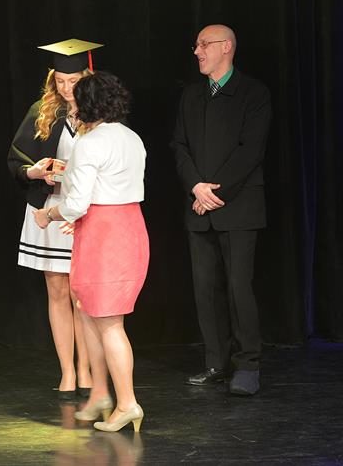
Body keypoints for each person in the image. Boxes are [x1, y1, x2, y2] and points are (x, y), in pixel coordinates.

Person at [34, 71, 148, 433]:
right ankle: (100, 393)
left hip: (104, 236)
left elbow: (75, 203)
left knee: (110, 323)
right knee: (87, 312)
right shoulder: (131, 138)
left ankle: (127, 403)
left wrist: (49, 214)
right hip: (128, 228)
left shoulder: (89, 143)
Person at [171, 24, 270, 396]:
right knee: (205, 289)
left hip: (238, 206)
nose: (197, 51)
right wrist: (196, 187)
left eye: (204, 44)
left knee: (238, 287)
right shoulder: (191, 95)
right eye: (196, 45)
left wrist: (216, 191)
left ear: (226, 47)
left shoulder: (253, 93)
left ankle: (248, 364)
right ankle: (216, 362)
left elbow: (250, 150)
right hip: (198, 205)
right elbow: (179, 145)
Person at [8, 39, 100, 400]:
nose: (66, 88)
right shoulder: (43, 110)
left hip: (85, 212)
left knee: (82, 294)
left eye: (73, 80)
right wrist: (37, 172)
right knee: (57, 291)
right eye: (60, 81)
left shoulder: (101, 114)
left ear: (87, 77)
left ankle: (86, 368)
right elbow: (17, 161)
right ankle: (67, 371)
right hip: (48, 208)